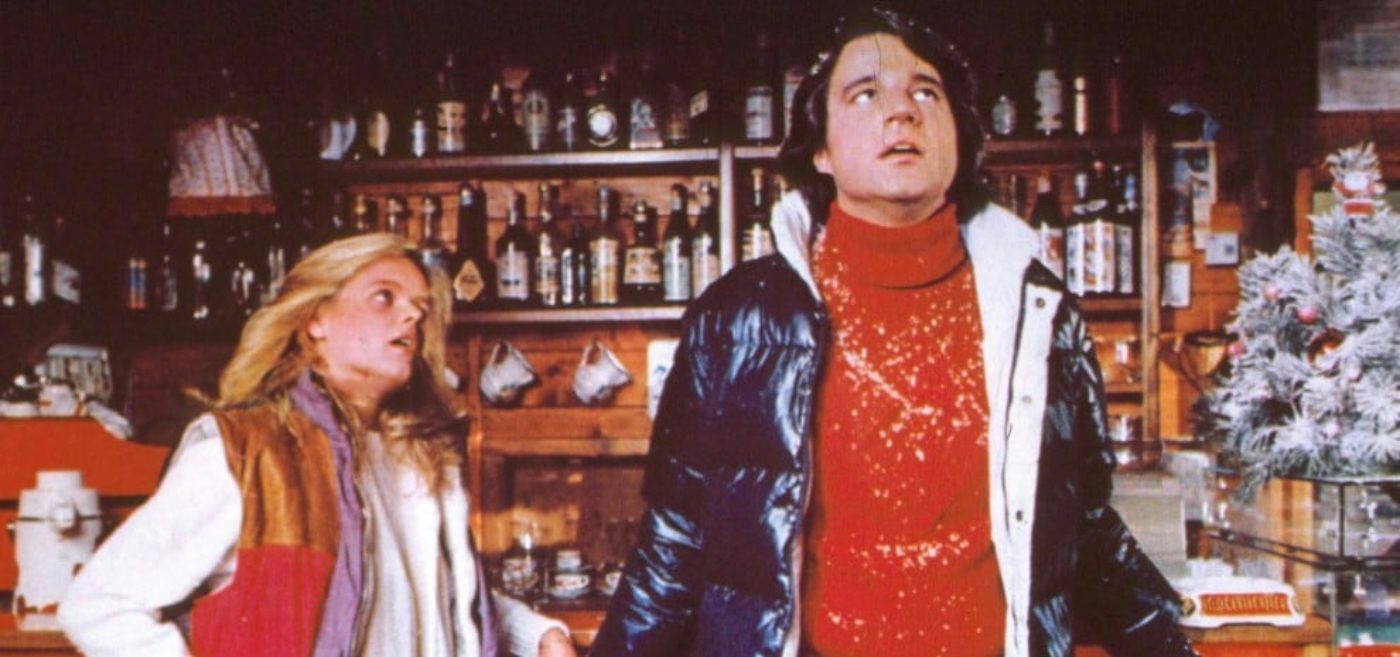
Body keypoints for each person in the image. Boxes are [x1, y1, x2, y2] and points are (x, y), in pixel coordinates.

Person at [592, 7, 1196, 657]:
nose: (902, 111)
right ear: (820, 150)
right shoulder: (735, 320)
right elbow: (674, 540)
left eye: (926, 92)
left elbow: (1087, 527)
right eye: (866, 93)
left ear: (960, 137)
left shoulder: (1042, 314)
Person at [59, 234, 576, 657]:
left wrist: (537, 634)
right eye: (385, 297)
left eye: (420, 309)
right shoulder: (247, 450)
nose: (411, 318)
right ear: (315, 320)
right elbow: (100, 604)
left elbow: (435, 597)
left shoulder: (418, 460)